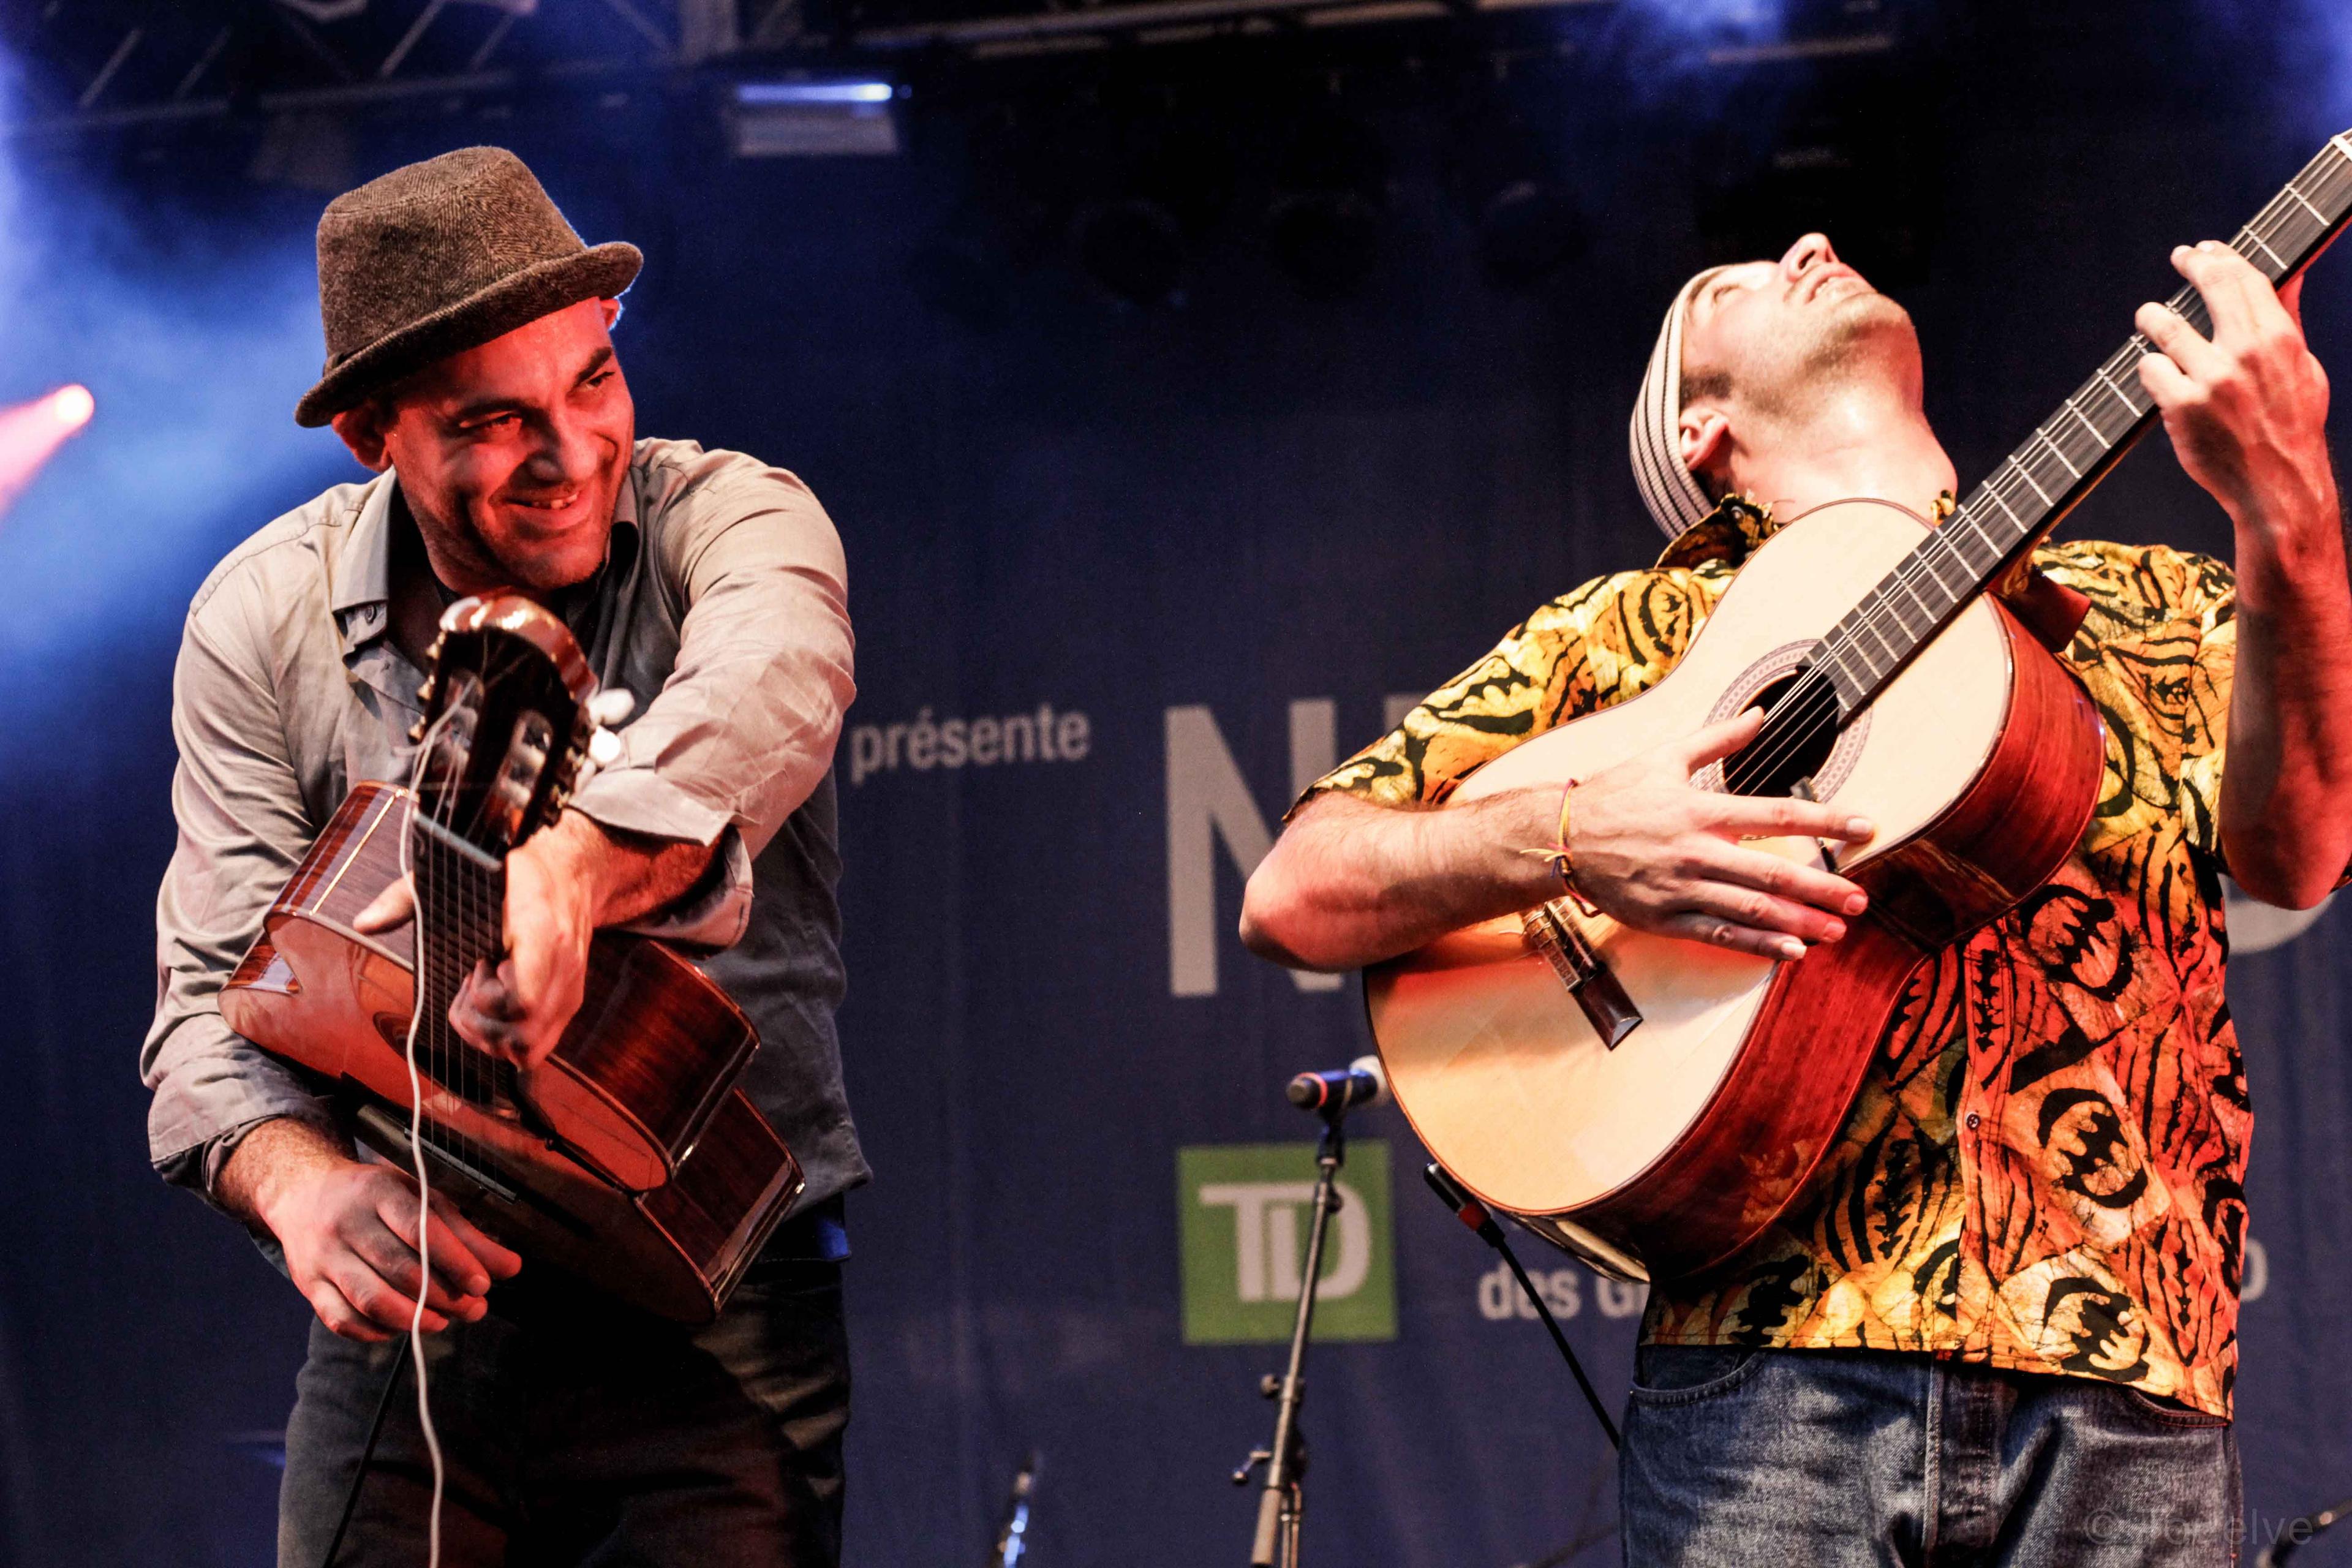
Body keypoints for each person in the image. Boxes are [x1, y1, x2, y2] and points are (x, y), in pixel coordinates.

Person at [1242, 231, 2351, 1564]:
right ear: (1700, 430)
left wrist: (2291, 504)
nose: (1812, 245)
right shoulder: (1636, 636)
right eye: (1732, 283)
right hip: (1767, 1380)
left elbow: (2302, 850)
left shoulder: (2157, 604)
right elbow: (1296, 884)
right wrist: (1577, 832)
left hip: (2127, 1363)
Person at [139, 146, 863, 1566]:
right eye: (493, 420)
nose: (572, 451)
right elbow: (204, 1005)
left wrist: (583, 861)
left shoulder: (736, 518)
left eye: (592, 380)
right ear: (370, 435)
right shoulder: (258, 620)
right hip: (423, 1311)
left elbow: (775, 678)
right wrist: (302, 1184)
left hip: (717, 1302)